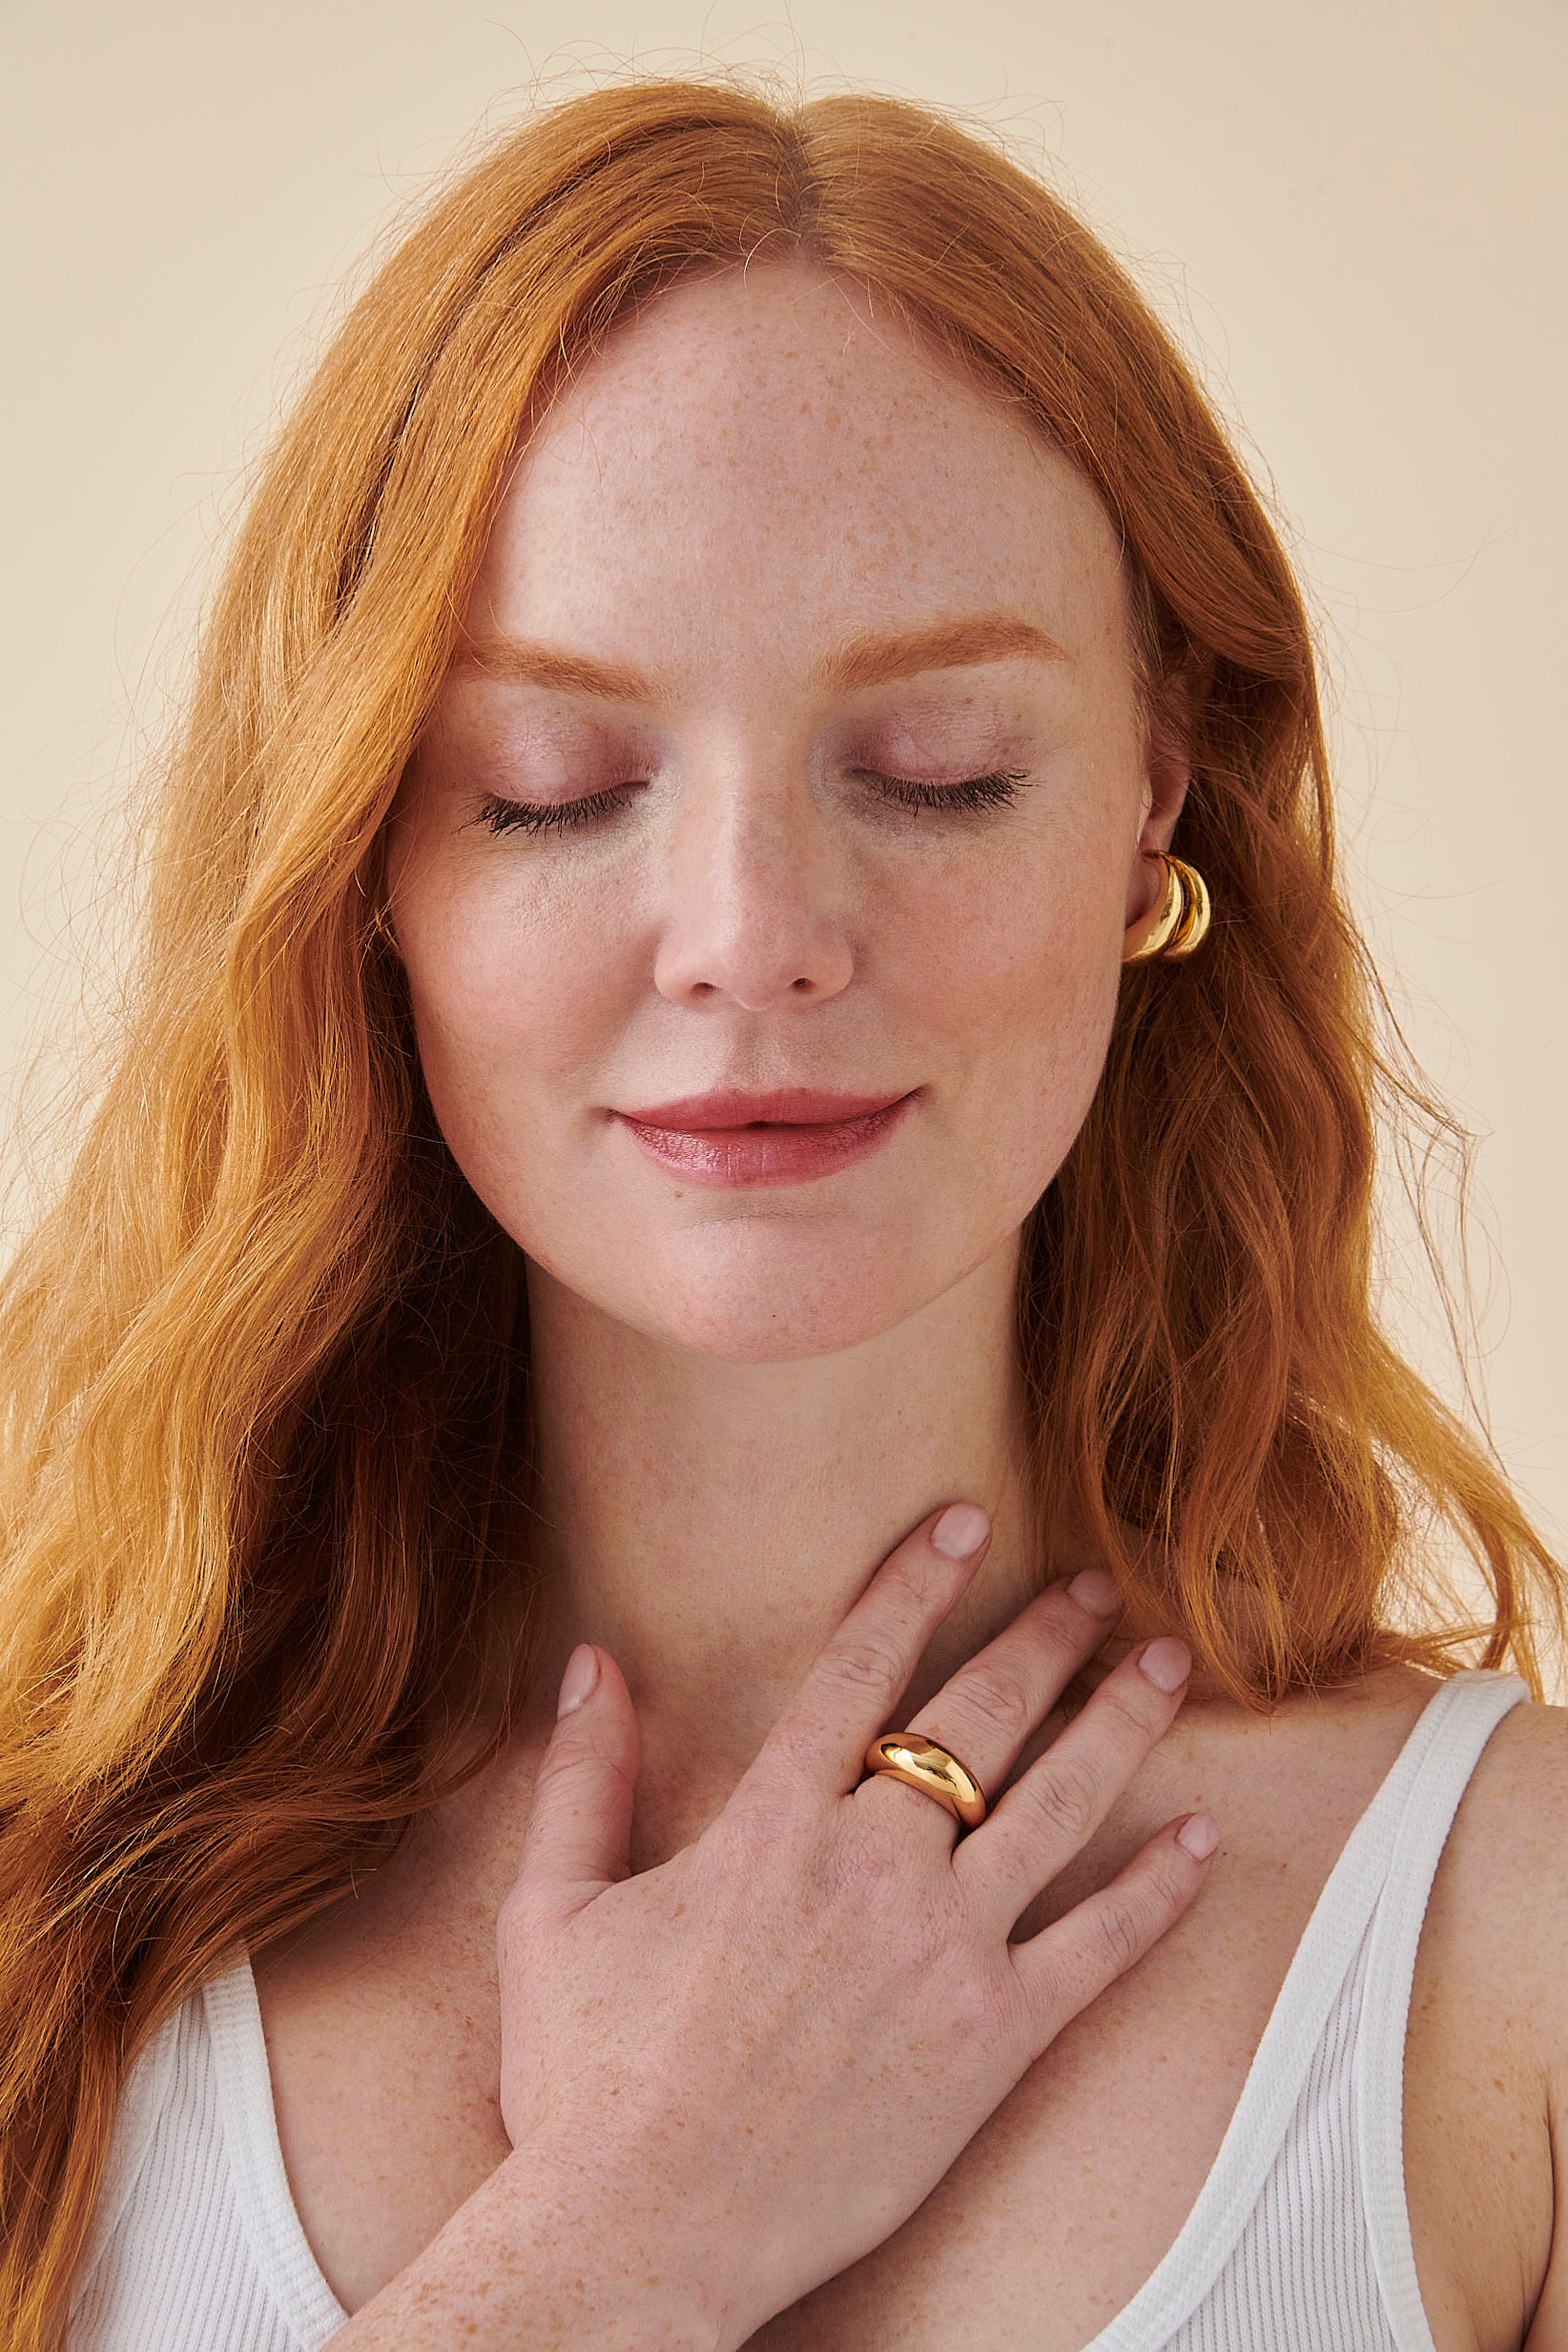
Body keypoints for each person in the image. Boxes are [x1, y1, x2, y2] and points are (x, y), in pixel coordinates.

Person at [0, 72, 1563, 2352]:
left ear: (1153, 807)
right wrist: (635, 2228)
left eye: (938, 770)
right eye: (556, 789)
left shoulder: (1509, 1936)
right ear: (368, 872)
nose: (753, 933)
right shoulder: (55, 1910)